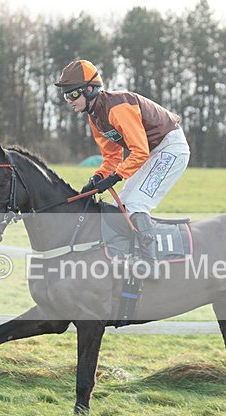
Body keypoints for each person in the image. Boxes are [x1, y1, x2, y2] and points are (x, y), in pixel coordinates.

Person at [55, 59, 190, 275]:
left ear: (90, 90)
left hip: (171, 148)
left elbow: (139, 151)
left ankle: (150, 262)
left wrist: (116, 177)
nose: (69, 101)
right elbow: (112, 156)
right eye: (66, 96)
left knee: (136, 203)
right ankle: (131, 253)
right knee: (125, 204)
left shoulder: (118, 107)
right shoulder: (95, 117)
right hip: (154, 152)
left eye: (72, 94)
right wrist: (99, 177)